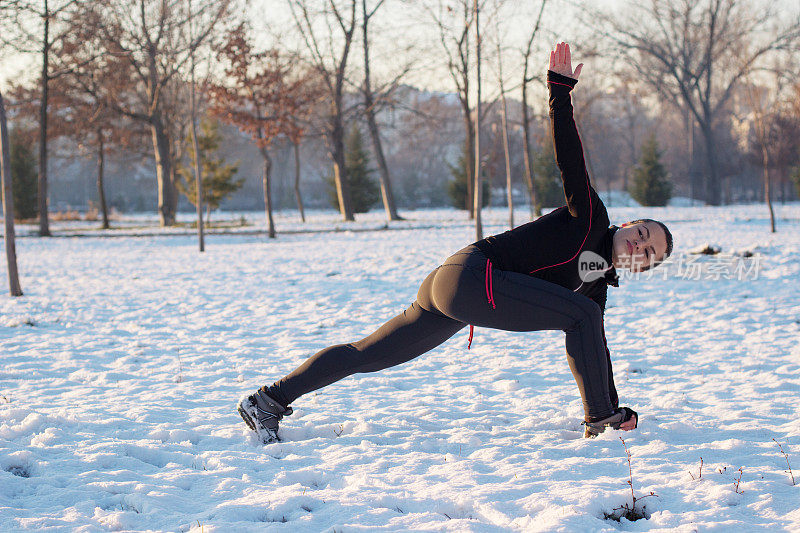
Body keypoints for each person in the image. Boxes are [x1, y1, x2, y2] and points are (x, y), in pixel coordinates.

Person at [237, 42, 673, 443]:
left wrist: (615, 400)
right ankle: (600, 420)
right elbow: (568, 157)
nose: (640, 246)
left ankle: (268, 401)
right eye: (642, 234)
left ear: (642, 268)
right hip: (471, 276)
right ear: (629, 224)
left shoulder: (596, 279)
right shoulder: (592, 215)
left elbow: (595, 343)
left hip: (454, 286)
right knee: (579, 316)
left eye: (648, 253)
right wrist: (560, 91)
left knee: (366, 354)